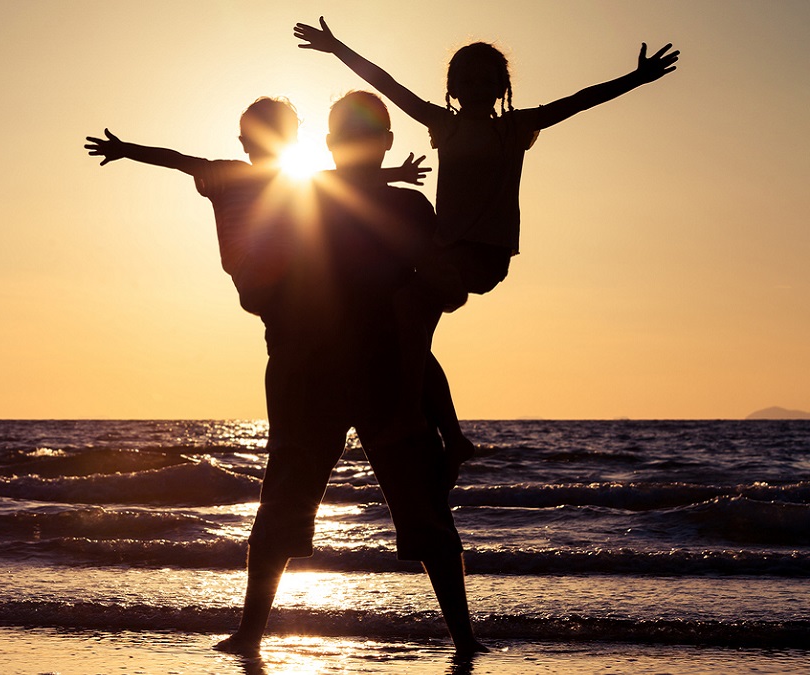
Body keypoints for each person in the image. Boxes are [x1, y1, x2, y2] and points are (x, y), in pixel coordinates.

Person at [294, 17, 679, 473]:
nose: (476, 86)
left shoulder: (514, 129)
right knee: (407, 329)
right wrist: (337, 47)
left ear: (501, 88)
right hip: (442, 252)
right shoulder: (443, 124)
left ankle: (408, 417)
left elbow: (580, 101)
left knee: (407, 308)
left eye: (486, 79)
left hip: (484, 255)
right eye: (467, 79)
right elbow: (387, 83)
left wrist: (636, 78)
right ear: (453, 89)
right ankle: (452, 438)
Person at [213, 91, 485, 658]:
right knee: (290, 500)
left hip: (371, 374)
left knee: (417, 508)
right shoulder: (307, 198)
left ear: (383, 143)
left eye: (366, 135)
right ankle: (251, 634)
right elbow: (259, 287)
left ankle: (464, 637)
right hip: (319, 372)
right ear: (332, 144)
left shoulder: (398, 207)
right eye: (346, 135)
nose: (356, 145)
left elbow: (446, 290)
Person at [84, 98, 472, 453]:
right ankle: (285, 429)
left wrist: (396, 173)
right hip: (255, 276)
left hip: (283, 281)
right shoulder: (226, 174)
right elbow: (176, 158)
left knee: (292, 341)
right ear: (243, 142)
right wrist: (125, 150)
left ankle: (308, 418)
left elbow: (349, 180)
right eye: (259, 137)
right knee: (288, 349)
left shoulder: (298, 181)